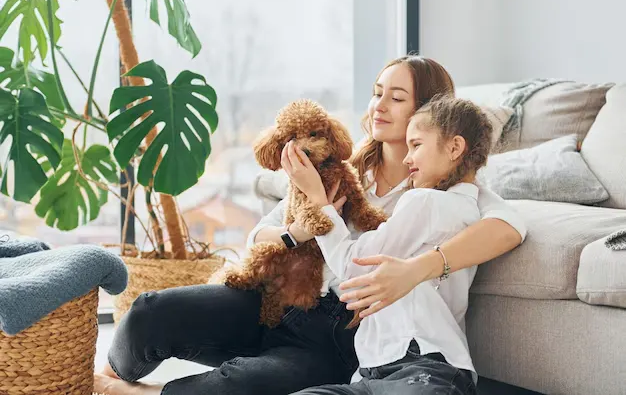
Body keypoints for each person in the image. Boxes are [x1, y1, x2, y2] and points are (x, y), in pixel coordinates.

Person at [94, 56, 526, 395]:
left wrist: (420, 267)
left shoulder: (446, 191)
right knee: (151, 312)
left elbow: (510, 225)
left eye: (396, 97)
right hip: (277, 302)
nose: (378, 105)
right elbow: (258, 237)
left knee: (241, 384)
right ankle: (100, 380)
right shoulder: (338, 167)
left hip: (335, 337)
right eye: (377, 93)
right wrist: (298, 230)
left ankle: (139, 393)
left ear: (428, 112)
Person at [286, 95, 492, 395]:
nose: (407, 158)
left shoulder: (427, 202)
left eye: (417, 145)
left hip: (420, 366)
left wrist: (318, 200)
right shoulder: (470, 210)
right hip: (377, 372)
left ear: (455, 147)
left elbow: (353, 265)